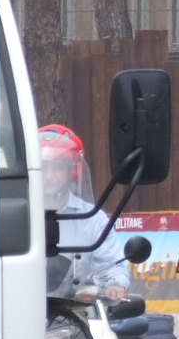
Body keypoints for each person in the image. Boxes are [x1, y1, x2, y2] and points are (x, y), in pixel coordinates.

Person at [39, 124, 129, 300]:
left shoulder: (93, 220)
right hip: (13, 315)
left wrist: (115, 285)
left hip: (75, 316)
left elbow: (111, 265)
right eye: (43, 167)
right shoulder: (10, 216)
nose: (49, 176)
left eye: (57, 167)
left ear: (73, 171)